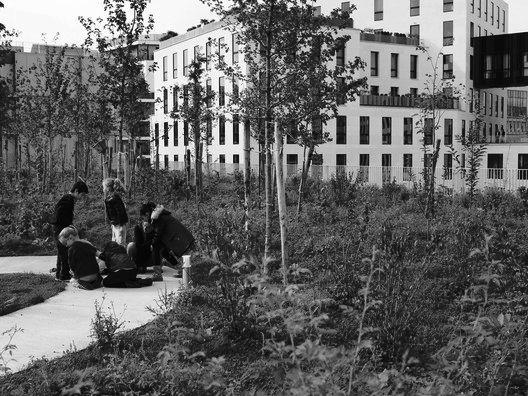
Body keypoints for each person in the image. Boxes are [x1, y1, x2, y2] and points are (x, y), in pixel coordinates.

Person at [139, 202, 195, 282]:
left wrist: (152, 243)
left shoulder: (158, 217)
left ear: (147, 214)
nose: (143, 219)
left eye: (143, 217)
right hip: (179, 237)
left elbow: (158, 234)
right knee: (163, 251)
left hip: (180, 238)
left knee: (156, 247)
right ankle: (181, 269)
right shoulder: (159, 215)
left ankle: (157, 274)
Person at [51, 180, 89, 281]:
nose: (82, 197)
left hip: (59, 227)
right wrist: (69, 225)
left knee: (61, 252)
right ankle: (64, 275)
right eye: (82, 194)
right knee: (64, 252)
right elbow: (59, 215)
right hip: (60, 228)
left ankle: (60, 275)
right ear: (76, 191)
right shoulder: (68, 199)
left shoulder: (68, 199)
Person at [103, 178, 128, 246]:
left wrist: (120, 224)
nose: (103, 188)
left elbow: (120, 212)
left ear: (108, 187)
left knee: (120, 245)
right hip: (115, 224)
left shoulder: (114, 197)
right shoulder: (110, 198)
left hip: (119, 225)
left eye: (104, 186)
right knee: (115, 244)